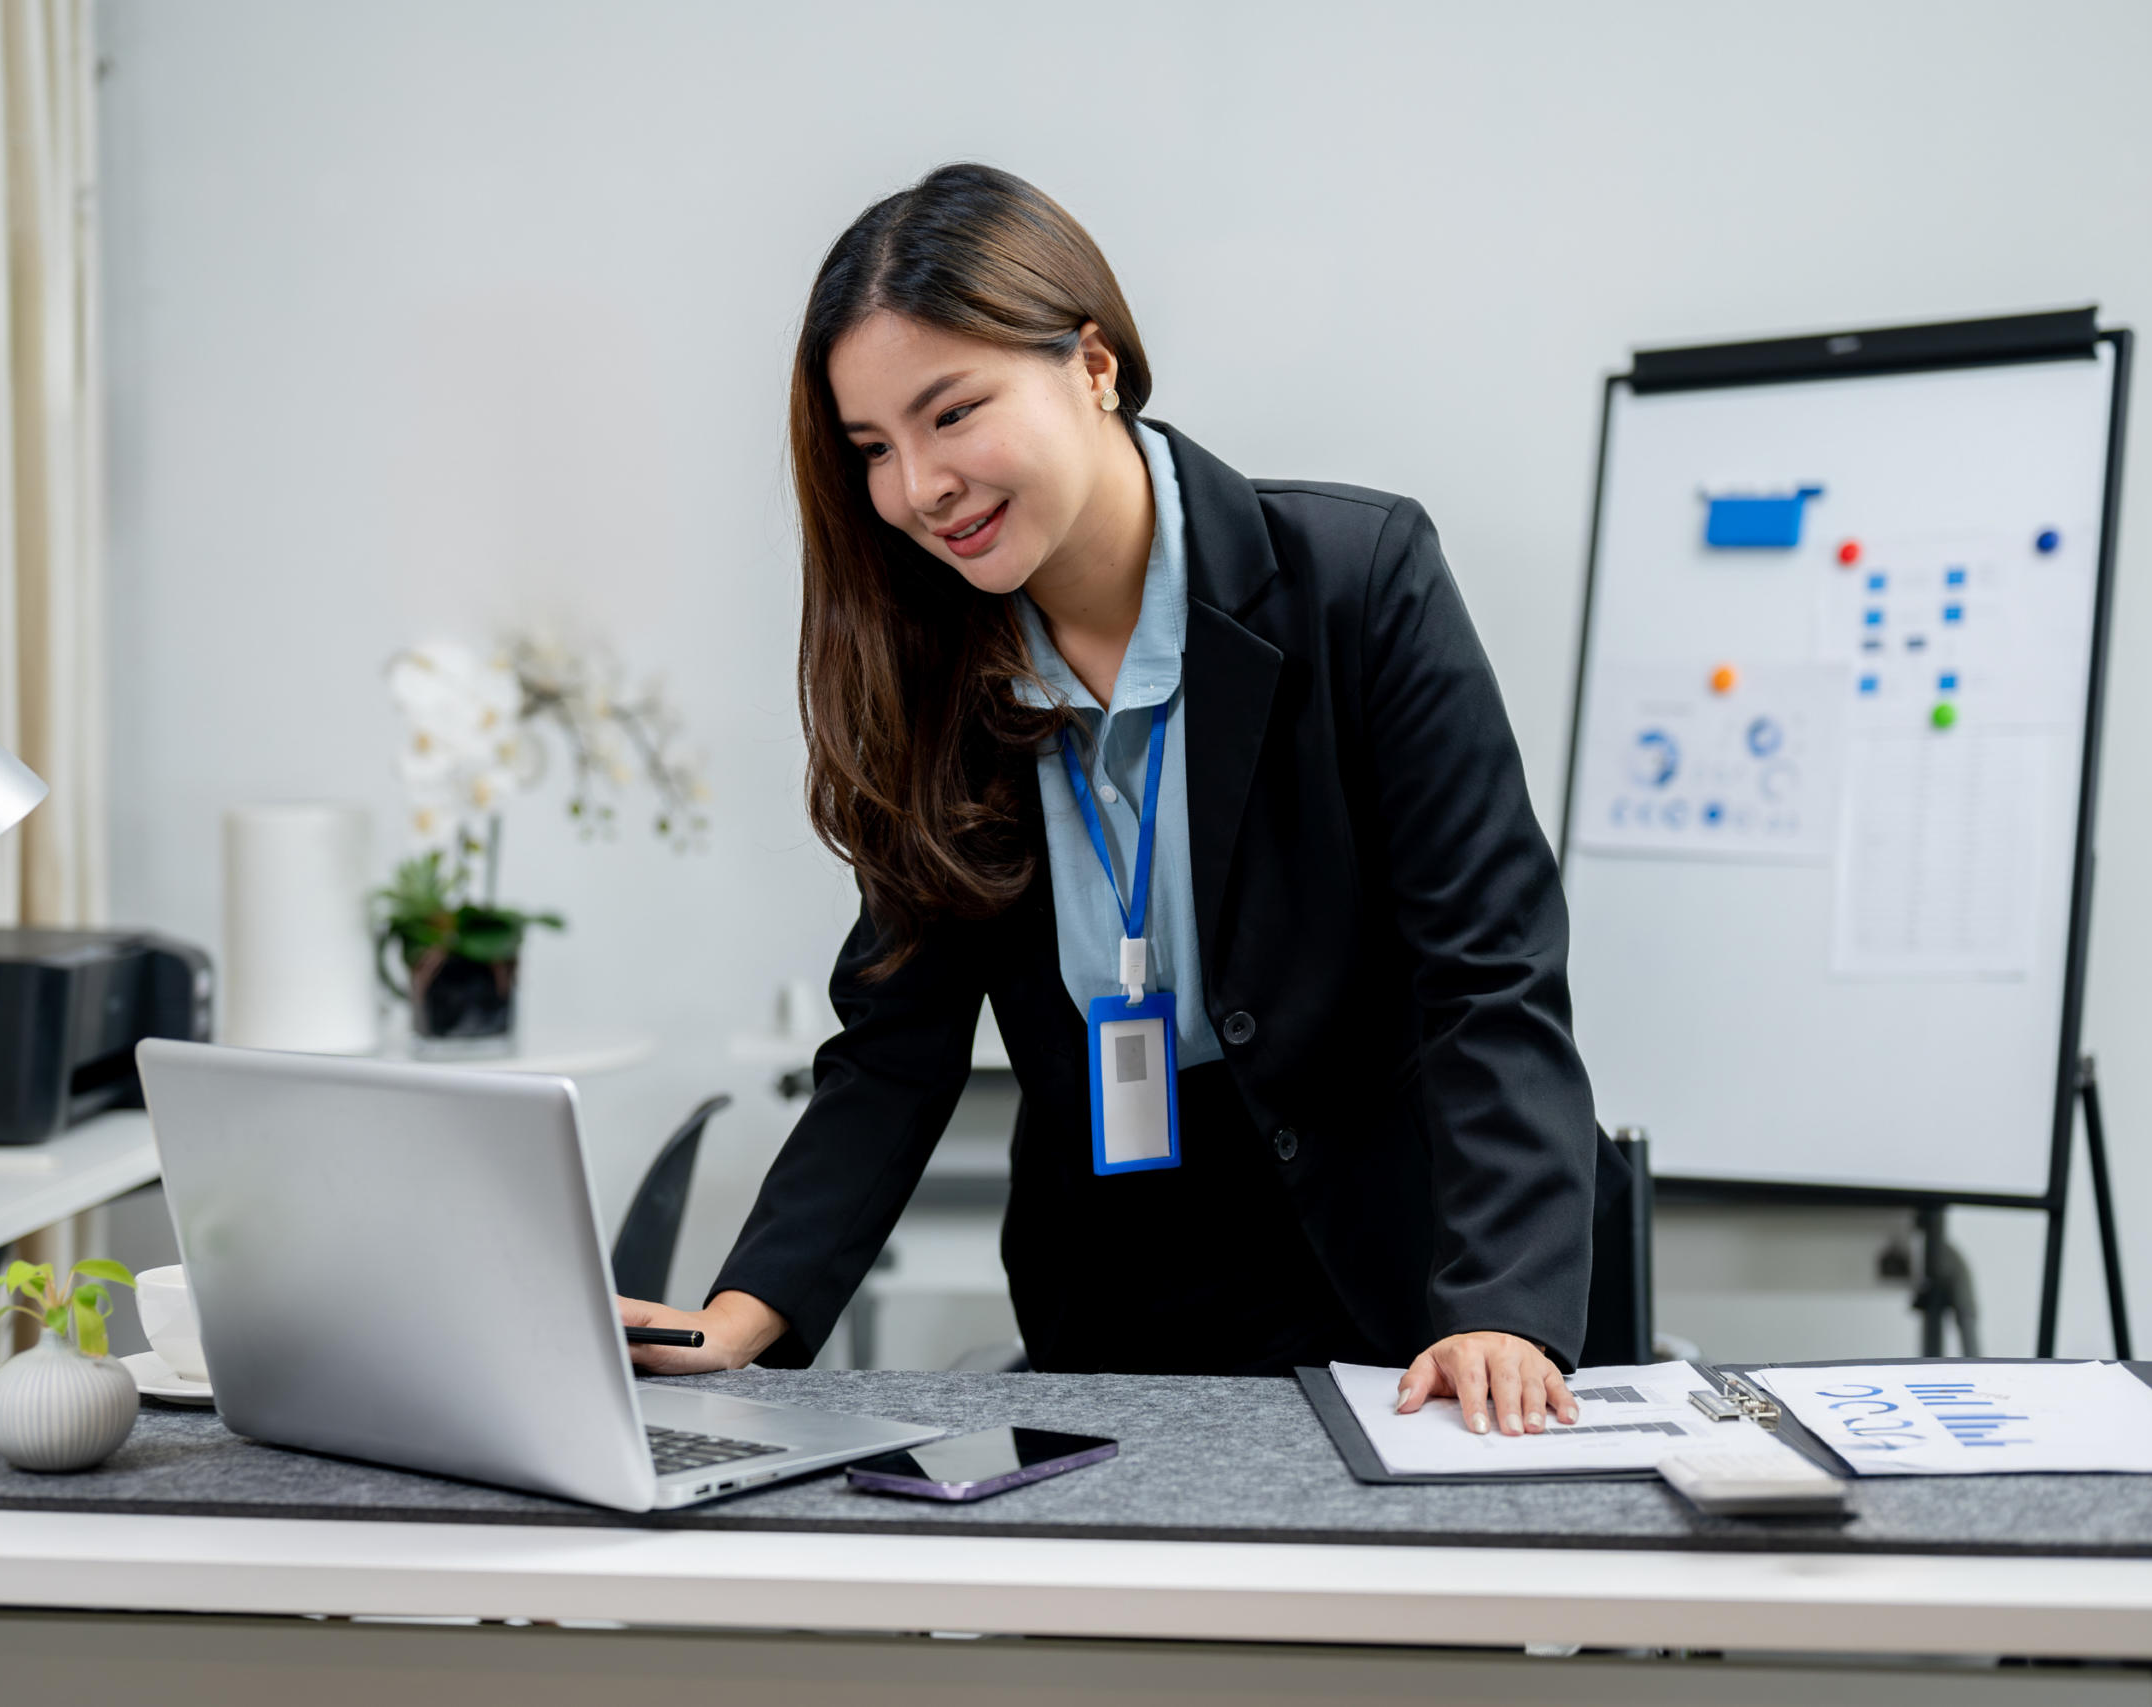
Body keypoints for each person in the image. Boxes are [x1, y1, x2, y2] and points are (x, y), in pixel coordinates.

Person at [621, 163, 1597, 1437]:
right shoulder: (936, 669)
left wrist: (1502, 1307)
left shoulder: (1357, 584)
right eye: (873, 449)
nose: (919, 487)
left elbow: (1490, 973)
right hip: (1110, 1306)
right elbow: (895, 1043)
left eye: (951, 412)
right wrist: (750, 1308)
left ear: (1094, 365)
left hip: (1397, 1297)